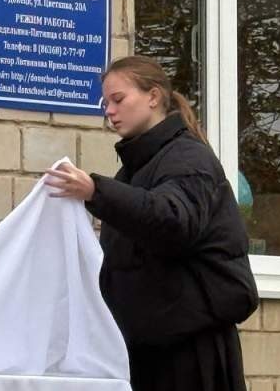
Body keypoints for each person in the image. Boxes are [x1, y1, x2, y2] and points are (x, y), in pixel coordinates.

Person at [46, 55, 258, 391]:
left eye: (118, 99)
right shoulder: (134, 170)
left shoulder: (188, 158)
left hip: (189, 354)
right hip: (148, 349)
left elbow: (173, 222)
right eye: (105, 103)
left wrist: (96, 191)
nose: (109, 111)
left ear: (154, 97)